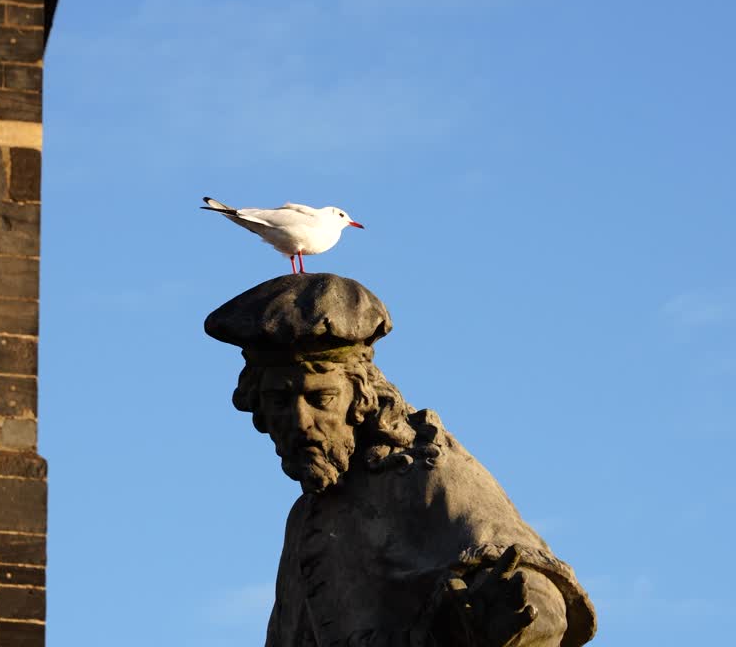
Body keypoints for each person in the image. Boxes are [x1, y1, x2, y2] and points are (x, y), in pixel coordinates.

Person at [207, 275, 596, 647]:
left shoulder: (424, 472)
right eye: (278, 402)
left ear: (360, 399)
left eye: (320, 399)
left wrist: (500, 621)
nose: (301, 422)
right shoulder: (306, 517)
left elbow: (542, 599)